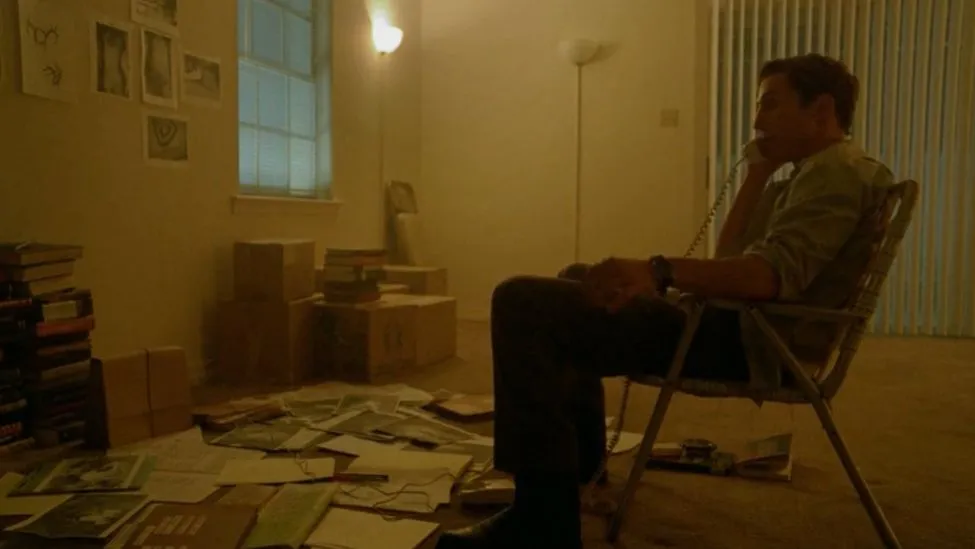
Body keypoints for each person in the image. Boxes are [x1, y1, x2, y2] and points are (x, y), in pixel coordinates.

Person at [435, 53, 895, 549]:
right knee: (578, 281)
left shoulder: (836, 173)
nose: (757, 120)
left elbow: (767, 278)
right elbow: (731, 260)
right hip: (733, 325)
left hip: (749, 341)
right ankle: (580, 471)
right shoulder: (808, 175)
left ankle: (541, 523)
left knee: (521, 302)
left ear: (820, 110)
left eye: (770, 104)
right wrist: (758, 175)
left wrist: (656, 271)